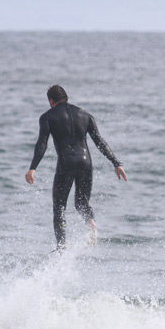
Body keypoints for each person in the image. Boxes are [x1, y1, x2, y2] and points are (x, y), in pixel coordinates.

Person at [25, 85, 127, 251]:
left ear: (51, 101)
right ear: (66, 97)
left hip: (66, 163)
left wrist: (33, 168)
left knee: (59, 206)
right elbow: (100, 142)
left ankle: (61, 247)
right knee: (81, 202)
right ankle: (92, 224)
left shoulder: (47, 117)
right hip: (86, 163)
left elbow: (42, 143)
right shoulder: (85, 115)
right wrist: (116, 163)